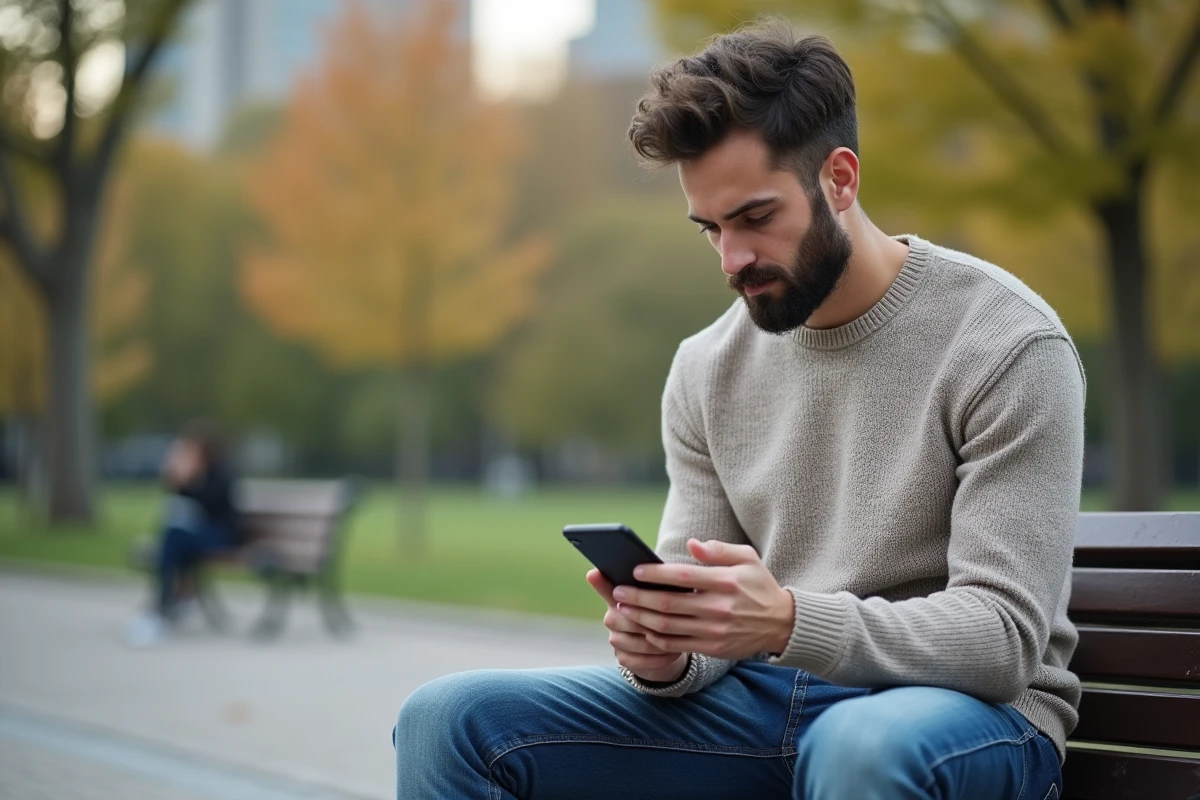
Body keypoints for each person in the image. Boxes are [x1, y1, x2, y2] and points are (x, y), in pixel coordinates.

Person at [394, 20, 1083, 800]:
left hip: (968, 719)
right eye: (710, 229)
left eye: (755, 219)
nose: (731, 261)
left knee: (859, 748)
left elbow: (1004, 640)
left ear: (841, 179)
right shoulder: (706, 368)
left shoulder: (1004, 341)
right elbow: (706, 601)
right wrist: (669, 652)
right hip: (766, 709)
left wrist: (789, 622)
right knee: (448, 719)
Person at [128, 421, 241, 647]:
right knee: (173, 535)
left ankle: (162, 607)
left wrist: (190, 479)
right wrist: (176, 478)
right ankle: (172, 601)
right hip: (199, 537)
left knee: (173, 538)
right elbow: (180, 501)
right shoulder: (198, 472)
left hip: (223, 536)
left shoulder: (222, 472)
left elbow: (210, 503)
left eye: (192, 450)